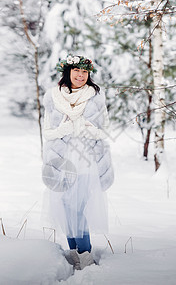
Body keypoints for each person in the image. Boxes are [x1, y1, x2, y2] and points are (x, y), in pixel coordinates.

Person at [42, 54, 114, 270]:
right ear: (68, 72)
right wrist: (62, 130)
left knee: (78, 208)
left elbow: (106, 131)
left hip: (86, 160)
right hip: (62, 161)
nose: (81, 76)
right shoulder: (52, 97)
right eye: (77, 71)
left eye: (85, 72)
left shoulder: (96, 97)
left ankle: (85, 255)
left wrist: (91, 130)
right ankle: (73, 253)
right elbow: (48, 132)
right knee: (65, 207)